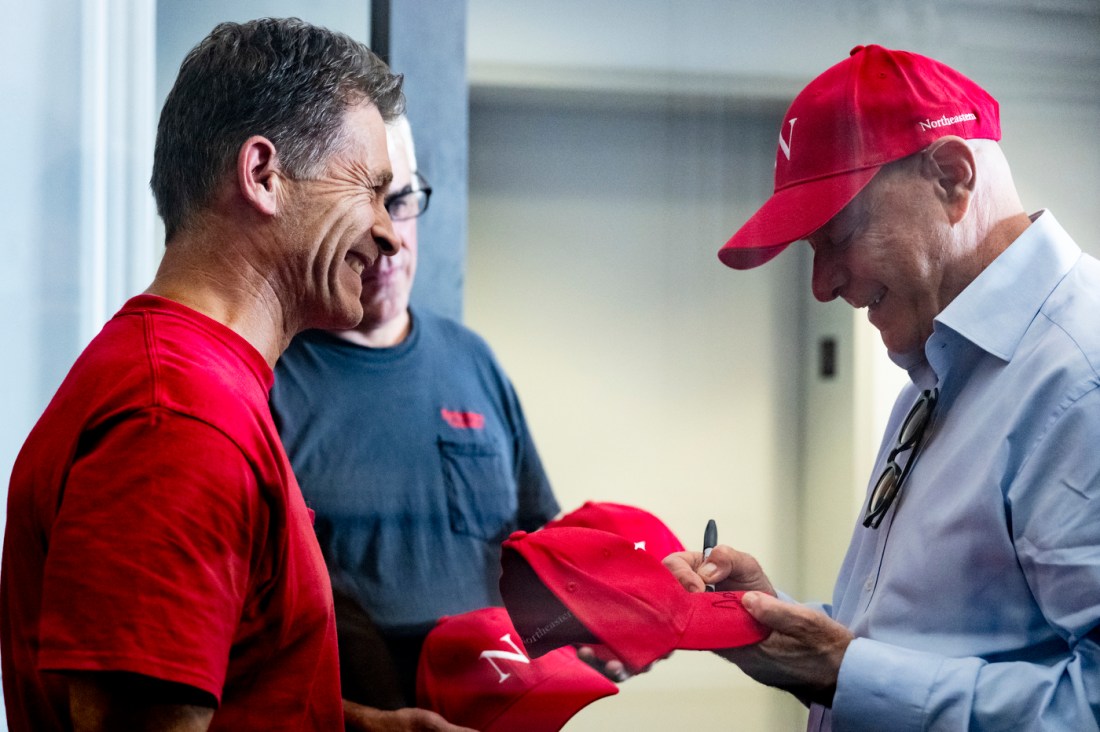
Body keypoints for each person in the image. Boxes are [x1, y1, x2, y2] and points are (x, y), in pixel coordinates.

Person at [664, 44, 1100, 730]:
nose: (821, 284)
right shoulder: (938, 376)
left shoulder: (1081, 378)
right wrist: (778, 633)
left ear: (952, 179)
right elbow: (925, 639)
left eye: (839, 236)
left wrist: (843, 669)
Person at [0, 17, 406, 732]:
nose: (389, 231)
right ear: (263, 175)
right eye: (371, 190)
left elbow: (217, 684)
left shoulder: (188, 385)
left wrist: (364, 726)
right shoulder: (180, 419)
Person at [270, 114, 561, 730]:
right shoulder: (270, 378)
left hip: (493, 704)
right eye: (364, 206)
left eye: (402, 201)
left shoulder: (471, 360)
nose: (391, 239)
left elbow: (540, 550)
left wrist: (591, 625)